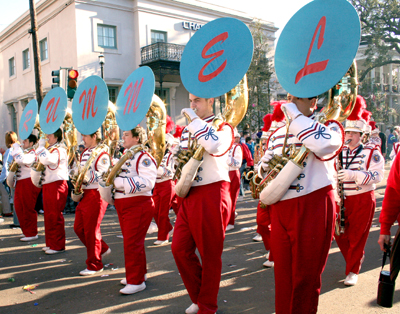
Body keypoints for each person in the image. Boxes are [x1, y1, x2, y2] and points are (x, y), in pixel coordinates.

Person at [259, 96, 342, 313]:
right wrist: (263, 168)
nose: (292, 101)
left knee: (306, 277)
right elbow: (267, 167)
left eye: (300, 97)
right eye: (290, 97)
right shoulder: (278, 132)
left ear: (314, 101)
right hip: (280, 207)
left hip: (313, 203)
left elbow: (324, 145)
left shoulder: (329, 126)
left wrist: (294, 116)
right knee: (283, 276)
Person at [171, 94, 233, 314]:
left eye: (197, 100)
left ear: (211, 101)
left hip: (212, 192)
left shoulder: (224, 127)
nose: (192, 104)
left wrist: (195, 123)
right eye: (190, 100)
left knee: (210, 255)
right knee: (179, 248)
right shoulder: (189, 129)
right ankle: (199, 296)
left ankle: (208, 305)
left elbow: (215, 145)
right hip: (189, 195)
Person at [334, 96, 384, 286]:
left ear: (362, 135)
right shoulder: (340, 151)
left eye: (354, 133)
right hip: (343, 199)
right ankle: (354, 261)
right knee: (339, 234)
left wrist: (354, 175)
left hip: (362, 197)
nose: (349, 136)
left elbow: (377, 176)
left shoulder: (372, 152)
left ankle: (353, 270)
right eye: (347, 132)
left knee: (357, 235)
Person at [101, 126, 157, 294]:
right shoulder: (126, 156)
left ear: (137, 139)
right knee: (132, 243)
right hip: (125, 204)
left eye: (126, 134)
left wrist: (118, 183)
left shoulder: (143, 157)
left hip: (138, 204)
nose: (122, 137)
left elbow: (148, 182)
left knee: (132, 243)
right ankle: (138, 274)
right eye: (123, 134)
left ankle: (136, 281)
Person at [72, 130, 111, 276]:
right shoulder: (85, 152)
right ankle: (102, 249)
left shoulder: (102, 153)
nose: (82, 138)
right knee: (79, 228)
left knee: (91, 230)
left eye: (85, 135)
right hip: (85, 193)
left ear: (94, 136)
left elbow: (104, 174)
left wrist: (84, 176)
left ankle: (95, 264)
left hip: (96, 193)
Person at [34, 128, 69, 254]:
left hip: (56, 183)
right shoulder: (50, 149)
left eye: (49, 134)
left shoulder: (60, 149)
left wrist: (41, 147)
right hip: (49, 184)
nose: (47, 137)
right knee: (48, 216)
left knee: (55, 215)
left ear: (56, 136)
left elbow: (49, 160)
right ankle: (51, 243)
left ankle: (58, 245)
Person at [10, 134, 41, 241]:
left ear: (31, 143)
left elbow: (21, 160)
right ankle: (26, 231)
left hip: (28, 181)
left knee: (28, 207)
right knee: (19, 207)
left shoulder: (33, 153)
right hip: (21, 182)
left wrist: (16, 148)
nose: (23, 143)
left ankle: (32, 233)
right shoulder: (26, 152)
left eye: (26, 141)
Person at [152, 133, 176, 245]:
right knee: (154, 211)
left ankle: (163, 237)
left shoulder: (171, 155)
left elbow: (171, 171)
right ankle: (169, 229)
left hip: (167, 184)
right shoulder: (154, 155)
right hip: (157, 185)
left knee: (163, 213)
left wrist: (158, 171)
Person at [226, 129, 243, 231]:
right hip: (224, 173)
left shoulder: (237, 147)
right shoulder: (224, 146)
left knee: (231, 199)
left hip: (232, 173)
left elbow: (238, 163)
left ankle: (230, 222)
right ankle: (228, 217)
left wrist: (226, 159)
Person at [0, 132, 18, 218]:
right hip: (15, 176)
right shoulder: (17, 148)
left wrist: (2, 179)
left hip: (8, 176)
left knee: (5, 194)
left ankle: (7, 211)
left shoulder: (9, 150)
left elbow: (6, 166)